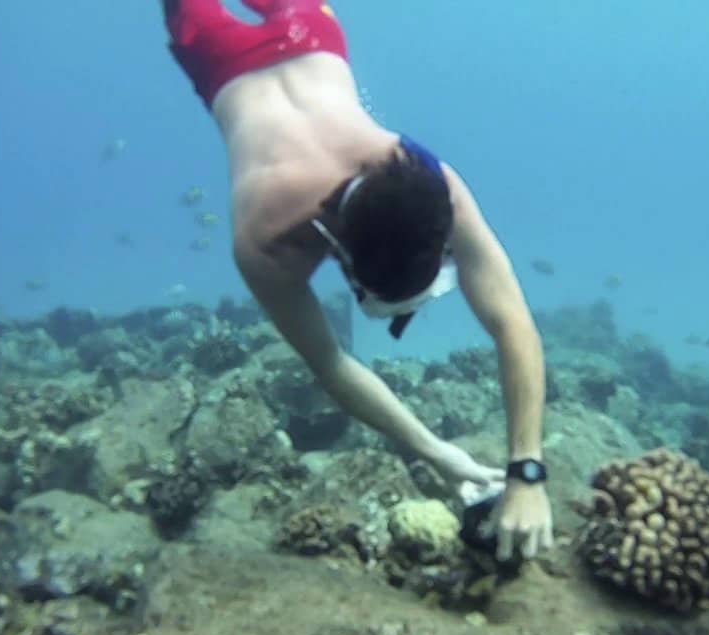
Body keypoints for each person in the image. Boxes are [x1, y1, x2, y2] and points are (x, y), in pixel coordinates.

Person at [161, 0, 552, 560]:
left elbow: (511, 323)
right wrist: (459, 456)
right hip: (232, 56)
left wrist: (518, 470)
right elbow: (334, 366)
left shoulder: (422, 177)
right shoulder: (264, 239)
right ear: (339, 256)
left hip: (310, 28)